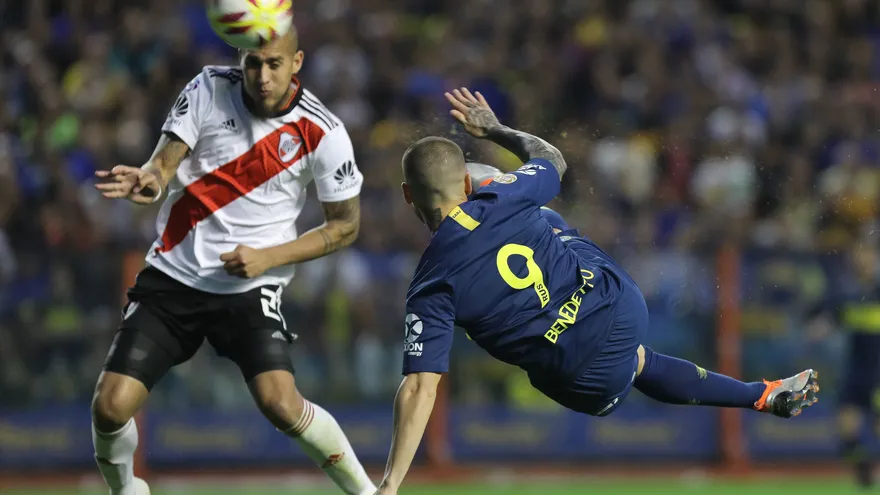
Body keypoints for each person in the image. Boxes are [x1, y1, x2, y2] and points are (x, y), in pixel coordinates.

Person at [372, 88, 820, 495]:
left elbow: (418, 389)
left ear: (409, 196)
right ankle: (759, 394)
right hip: (620, 307)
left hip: (582, 381)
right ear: (465, 188)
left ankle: (755, 393)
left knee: (610, 347)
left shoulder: (429, 285)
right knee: (548, 223)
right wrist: (494, 129)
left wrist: (390, 485)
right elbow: (553, 159)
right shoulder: (500, 197)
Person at [92, 28, 375, 495]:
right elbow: (163, 165)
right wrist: (150, 180)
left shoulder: (324, 132)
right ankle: (126, 490)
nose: (262, 76)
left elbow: (345, 226)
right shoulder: (207, 86)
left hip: (249, 288)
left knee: (281, 404)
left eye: (274, 64)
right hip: (173, 276)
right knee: (109, 407)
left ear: (297, 62)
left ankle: (367, 492)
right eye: (252, 64)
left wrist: (269, 258)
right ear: (239, 60)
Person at [807, 242, 880, 488]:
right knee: (846, 429)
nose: (865, 260)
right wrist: (820, 328)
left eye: (869, 254)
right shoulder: (846, 293)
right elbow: (826, 318)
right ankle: (862, 468)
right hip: (857, 371)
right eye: (861, 255)